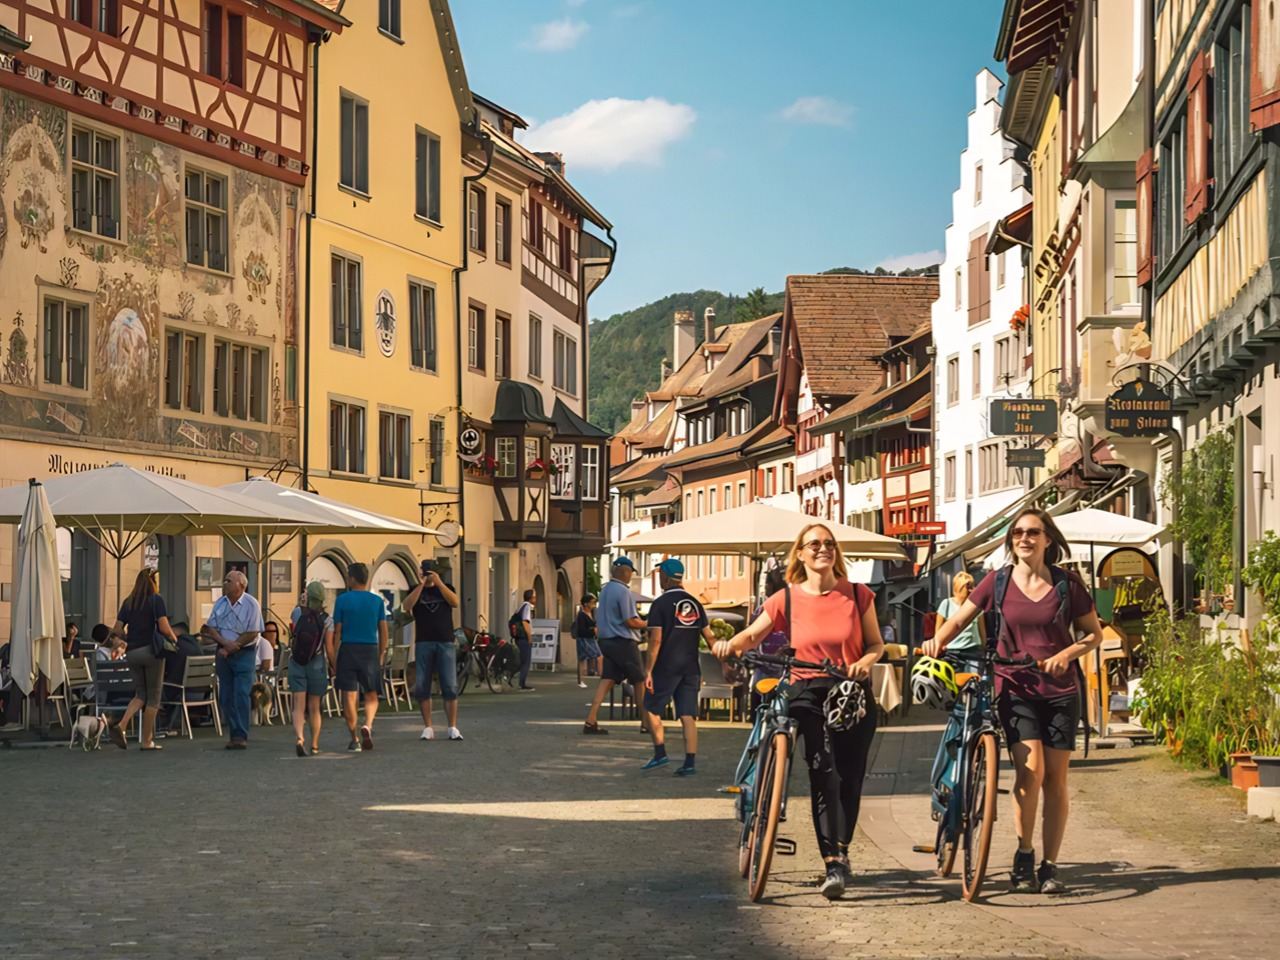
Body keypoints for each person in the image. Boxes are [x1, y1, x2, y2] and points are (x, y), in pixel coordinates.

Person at [923, 507, 1104, 895]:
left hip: (1060, 691)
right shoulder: (997, 582)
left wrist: (1067, 654)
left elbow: (1093, 634)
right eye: (1018, 532)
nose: (1024, 538)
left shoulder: (1067, 584)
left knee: (1056, 779)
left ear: (1047, 540)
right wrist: (939, 639)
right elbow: (961, 618)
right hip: (1014, 686)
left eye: (1033, 532)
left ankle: (1050, 865)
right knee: (1030, 770)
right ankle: (1024, 854)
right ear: (1011, 540)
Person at [714, 523, 884, 901]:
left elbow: (876, 644)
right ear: (801, 554)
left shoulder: (858, 595)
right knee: (823, 769)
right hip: (806, 688)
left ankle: (841, 846)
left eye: (828, 544)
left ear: (836, 553)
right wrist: (731, 645)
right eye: (814, 544)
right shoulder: (784, 599)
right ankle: (833, 861)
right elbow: (753, 635)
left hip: (850, 692)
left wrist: (866, 663)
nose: (823, 549)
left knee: (849, 779)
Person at [642, 560, 715, 776]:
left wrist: (648, 671)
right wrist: (726, 660)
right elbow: (709, 637)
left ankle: (660, 753)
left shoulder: (660, 604)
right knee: (688, 714)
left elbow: (655, 641)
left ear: (664, 577)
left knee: (651, 707)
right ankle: (690, 762)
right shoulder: (694, 603)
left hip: (667, 665)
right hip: (691, 666)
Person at [106, 568, 180, 751]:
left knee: (140, 694)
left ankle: (122, 725)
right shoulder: (156, 600)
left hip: (132, 652)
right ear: (153, 582)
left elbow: (116, 629)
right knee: (154, 697)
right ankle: (147, 741)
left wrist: (122, 642)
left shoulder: (128, 602)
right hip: (151, 651)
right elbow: (163, 627)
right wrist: (174, 637)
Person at [200, 570, 265, 750]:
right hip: (223, 652)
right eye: (225, 580)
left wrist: (235, 645)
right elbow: (210, 628)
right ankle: (233, 730)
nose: (225, 583)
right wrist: (225, 644)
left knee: (241, 694)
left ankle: (240, 734)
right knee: (226, 696)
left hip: (244, 652)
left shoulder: (251, 604)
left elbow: (254, 631)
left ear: (241, 585)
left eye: (229, 580)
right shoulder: (220, 603)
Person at [582, 557, 647, 735]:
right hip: (623, 641)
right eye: (631, 572)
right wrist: (647, 624)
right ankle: (645, 722)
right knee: (640, 680)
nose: (631, 576)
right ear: (625, 571)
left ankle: (591, 719)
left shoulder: (605, 590)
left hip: (606, 641)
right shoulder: (623, 592)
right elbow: (630, 621)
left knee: (607, 679)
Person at [330, 562, 388, 752]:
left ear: (352, 578)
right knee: (371, 693)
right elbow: (383, 631)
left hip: (348, 648)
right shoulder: (377, 601)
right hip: (370, 649)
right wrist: (381, 653)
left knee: (349, 694)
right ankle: (368, 725)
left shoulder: (342, 600)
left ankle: (354, 737)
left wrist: (335, 654)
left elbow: (337, 630)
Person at [403, 559, 462, 742]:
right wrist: (421, 586)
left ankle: (452, 726)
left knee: (450, 685)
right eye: (425, 572)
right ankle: (428, 727)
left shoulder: (447, 586)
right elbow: (406, 606)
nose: (427, 575)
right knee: (423, 685)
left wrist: (439, 583)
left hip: (445, 641)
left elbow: (455, 602)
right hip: (423, 641)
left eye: (430, 572)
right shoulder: (415, 588)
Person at [290, 581, 333, 756]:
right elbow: (328, 647)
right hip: (316, 663)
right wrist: (334, 665)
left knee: (298, 706)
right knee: (314, 706)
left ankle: (300, 738)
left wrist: (301, 602)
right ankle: (314, 744)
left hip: (297, 662)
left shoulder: (297, 613)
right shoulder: (327, 620)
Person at [935, 572, 982, 668]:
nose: (971, 590)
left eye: (972, 586)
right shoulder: (946, 604)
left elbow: (982, 629)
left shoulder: (975, 606)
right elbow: (938, 630)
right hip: (951, 652)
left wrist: (983, 648)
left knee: (973, 680)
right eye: (967, 586)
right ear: (958, 587)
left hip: (973, 650)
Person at [509, 589, 537, 691]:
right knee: (526, 661)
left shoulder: (521, 606)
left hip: (519, 637)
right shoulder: (527, 607)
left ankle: (511, 678)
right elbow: (526, 623)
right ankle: (522, 684)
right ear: (530, 598)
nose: (535, 599)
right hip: (523, 637)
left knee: (521, 660)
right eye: (534, 597)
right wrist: (529, 637)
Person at [574, 595, 601, 689]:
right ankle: (581, 680)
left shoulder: (592, 613)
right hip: (584, 639)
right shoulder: (581, 615)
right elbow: (581, 630)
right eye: (592, 602)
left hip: (591, 639)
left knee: (597, 657)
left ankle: (602, 678)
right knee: (586, 658)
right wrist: (593, 631)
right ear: (586, 604)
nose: (594, 604)